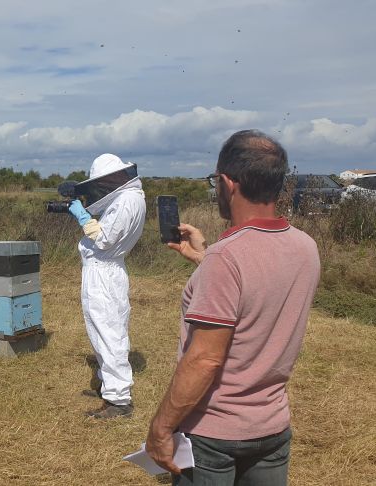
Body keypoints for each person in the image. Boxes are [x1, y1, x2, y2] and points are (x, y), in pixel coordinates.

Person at [145, 130, 320, 485]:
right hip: (272, 426)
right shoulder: (305, 247)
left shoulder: (226, 259)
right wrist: (203, 258)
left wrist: (161, 428)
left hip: (214, 434)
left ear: (227, 183)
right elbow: (258, 290)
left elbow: (205, 359)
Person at [66, 153, 146, 419]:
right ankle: (108, 384)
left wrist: (80, 215)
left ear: (115, 177)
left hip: (105, 272)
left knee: (109, 332)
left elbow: (103, 239)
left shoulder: (127, 201)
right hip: (105, 271)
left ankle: (119, 399)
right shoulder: (130, 198)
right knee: (104, 329)